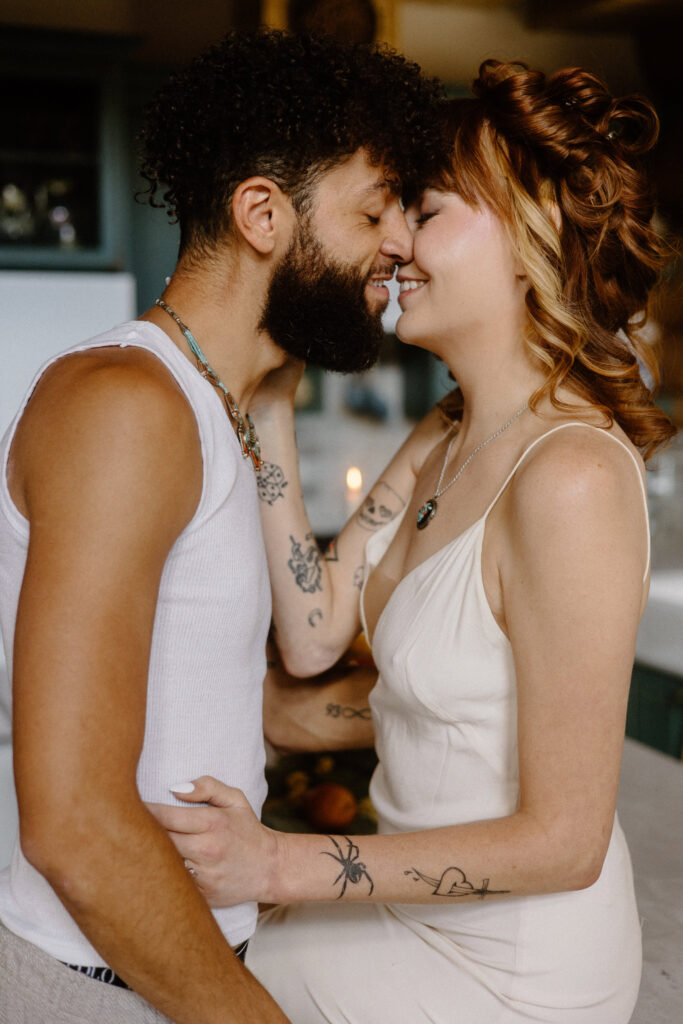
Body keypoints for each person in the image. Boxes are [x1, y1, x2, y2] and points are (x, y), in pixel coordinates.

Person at [149, 60, 676, 1023]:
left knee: (197, 986)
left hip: (512, 967)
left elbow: (566, 841)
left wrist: (282, 861)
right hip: (404, 911)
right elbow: (313, 630)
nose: (393, 245)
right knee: (179, 952)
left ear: (530, 239)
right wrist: (271, 401)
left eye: (423, 213)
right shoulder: (446, 431)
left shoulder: (569, 478)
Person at [0, 29, 443, 1024]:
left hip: (175, 962)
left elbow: (232, 703)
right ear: (260, 213)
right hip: (103, 981)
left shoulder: (220, 413)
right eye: (372, 210)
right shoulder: (128, 405)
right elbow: (73, 825)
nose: (400, 243)